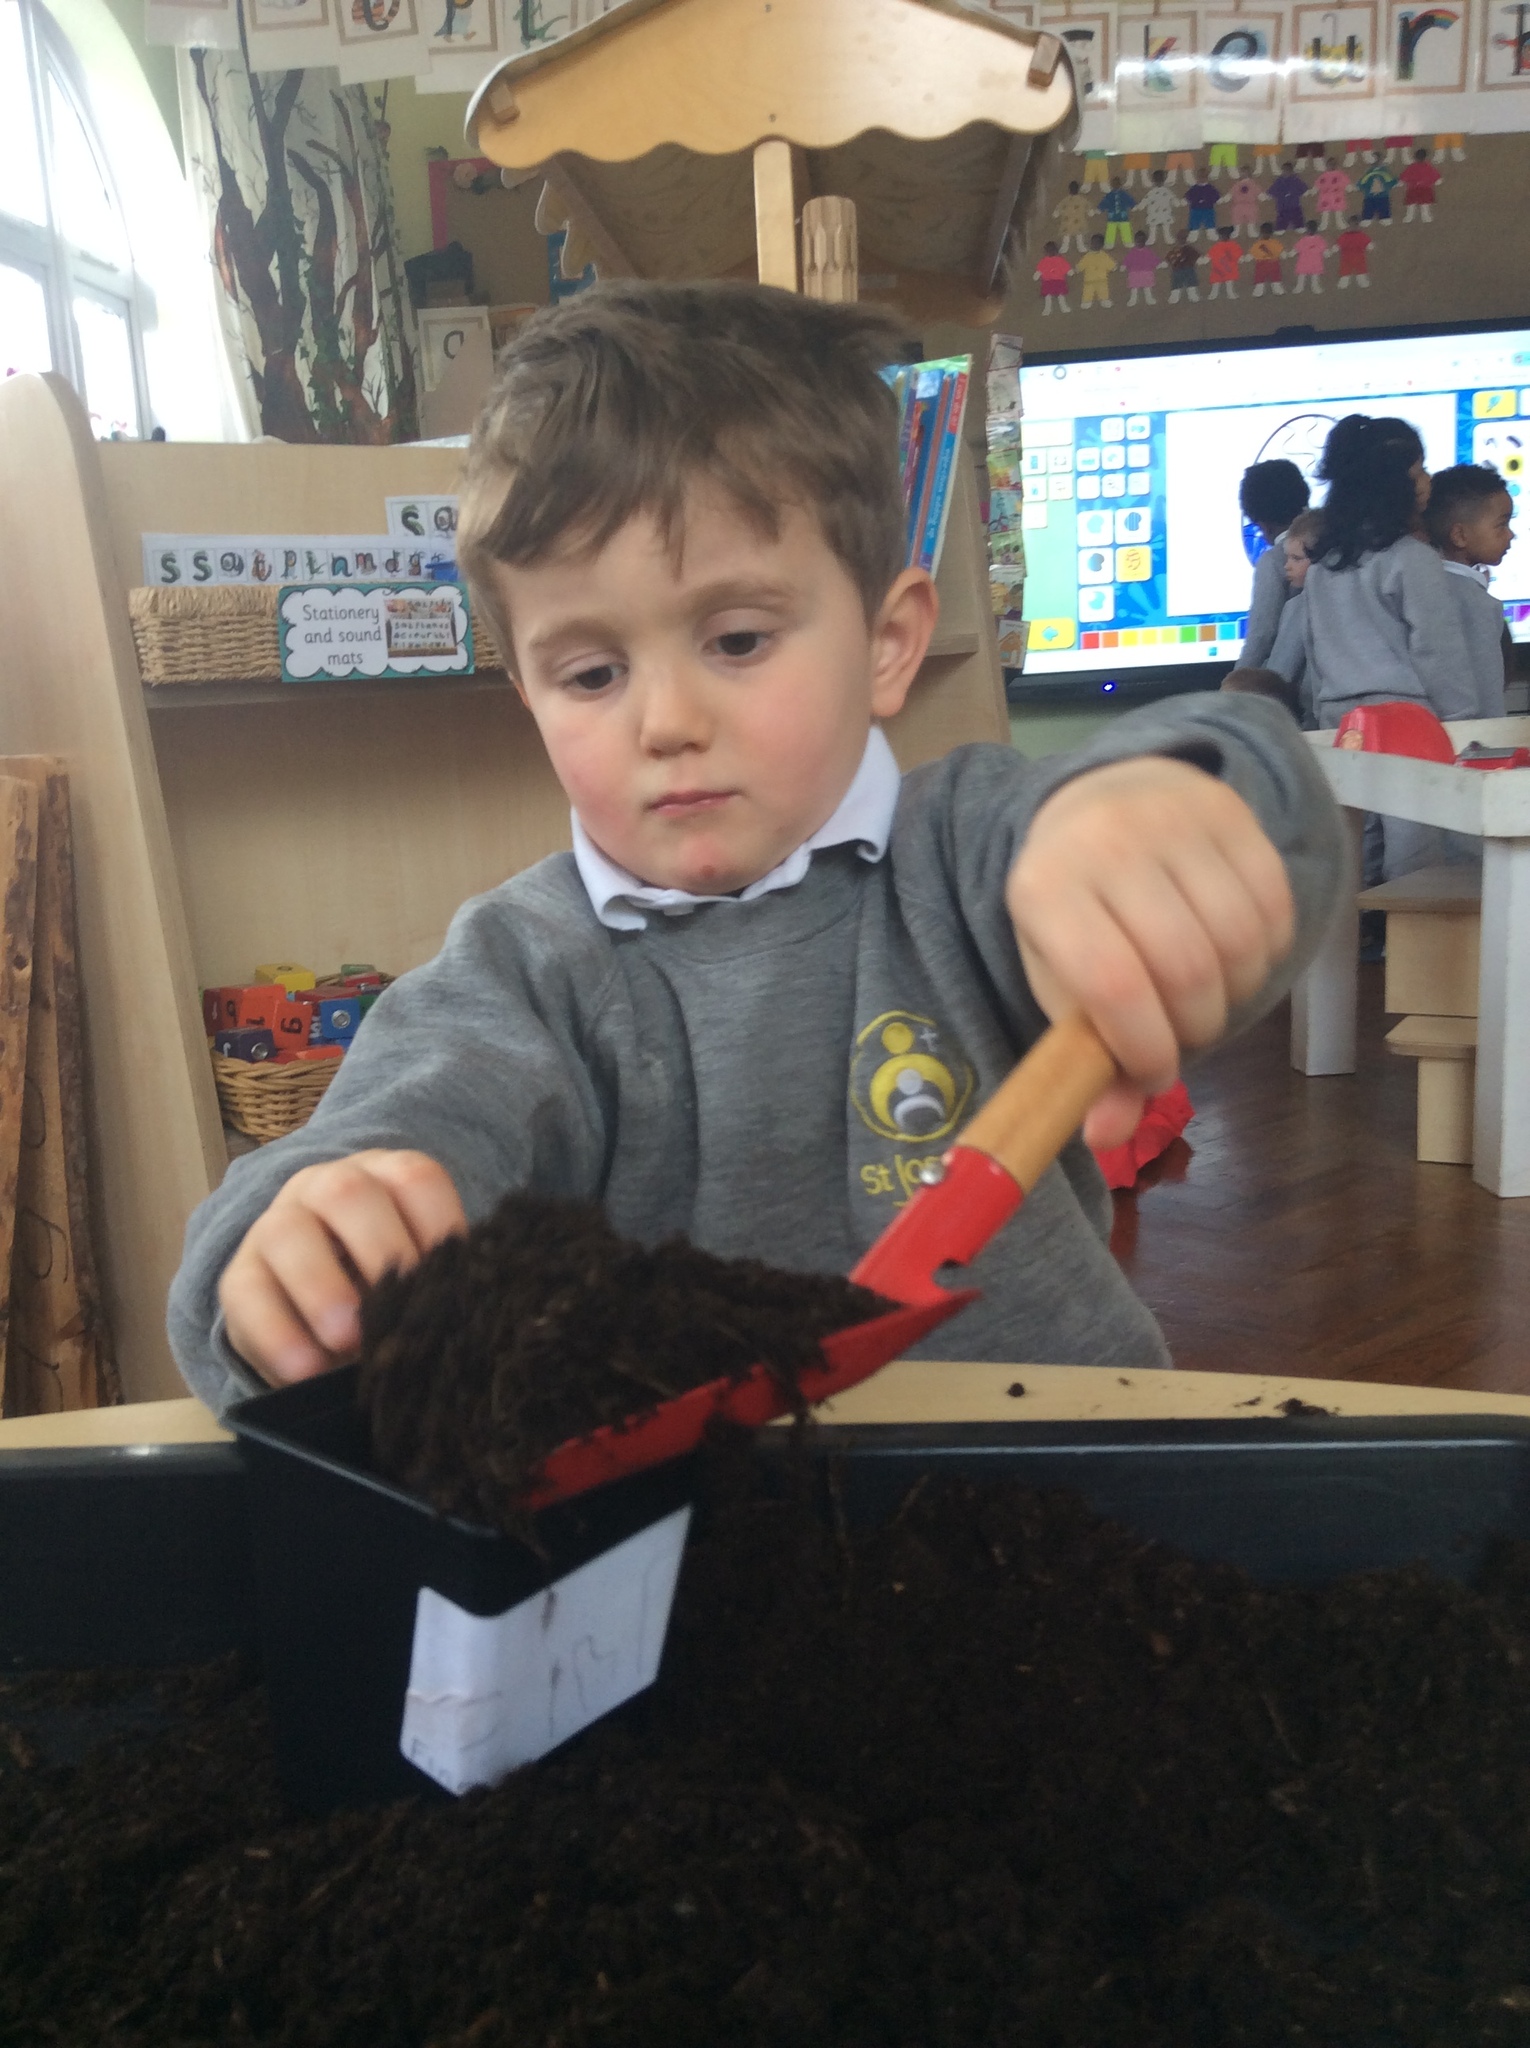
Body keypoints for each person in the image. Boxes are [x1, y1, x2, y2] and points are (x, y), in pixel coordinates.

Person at [165, 282, 1343, 1415]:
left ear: (887, 643)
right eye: (592, 673)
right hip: (701, 1517)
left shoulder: (976, 847)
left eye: (735, 640)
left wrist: (1168, 810)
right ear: (526, 694)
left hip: (1067, 1468)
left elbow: (1252, 772)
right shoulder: (523, 970)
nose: (666, 720)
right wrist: (300, 1250)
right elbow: (374, 1143)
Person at [1302, 414, 1476, 874]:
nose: (1428, 480)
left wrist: (1327, 710)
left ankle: (1359, 920)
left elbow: (1316, 650)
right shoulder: (1412, 559)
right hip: (1406, 721)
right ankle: (1405, 919)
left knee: (1356, 843)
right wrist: (1463, 722)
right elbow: (1437, 651)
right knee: (1414, 844)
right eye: (1419, 470)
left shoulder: (1323, 567)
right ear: (1392, 484)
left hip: (1340, 720)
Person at [1423, 462, 1516, 717]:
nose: (1510, 535)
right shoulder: (1476, 603)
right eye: (1502, 524)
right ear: (1460, 536)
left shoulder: (1426, 584)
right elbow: (1487, 691)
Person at [1239, 458, 1310, 669]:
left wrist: (1235, 681)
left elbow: (1262, 635)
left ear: (1263, 524)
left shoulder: (1273, 562)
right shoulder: (1337, 545)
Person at [1078, 233, 1117, 308]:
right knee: (1088, 291)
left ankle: (1104, 300)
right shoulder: (1088, 256)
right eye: (1093, 243)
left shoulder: (1104, 255)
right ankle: (1087, 301)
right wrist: (1078, 268)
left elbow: (1110, 263)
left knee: (1103, 291)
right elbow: (1082, 264)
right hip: (1089, 280)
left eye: (1097, 243)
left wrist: (1113, 267)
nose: (1094, 245)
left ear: (1101, 245)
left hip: (1101, 280)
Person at [1034, 241, 1073, 315]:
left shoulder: (1044, 261)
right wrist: (1070, 272)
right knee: (1061, 295)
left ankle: (1047, 309)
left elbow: (1039, 271)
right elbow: (1068, 270)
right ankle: (1064, 307)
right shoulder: (1060, 260)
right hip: (1059, 281)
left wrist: (1036, 276)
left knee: (1048, 296)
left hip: (1047, 282)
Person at [1249, 224, 1285, 296]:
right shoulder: (1258, 243)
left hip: (1272, 263)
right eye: (1264, 233)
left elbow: (1280, 250)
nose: (1265, 235)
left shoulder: (1274, 243)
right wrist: (1249, 257)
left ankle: (1276, 288)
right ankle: (1259, 289)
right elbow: (1253, 252)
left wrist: (1282, 254)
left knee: (1275, 276)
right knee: (1260, 276)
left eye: (1267, 233)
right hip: (1263, 263)